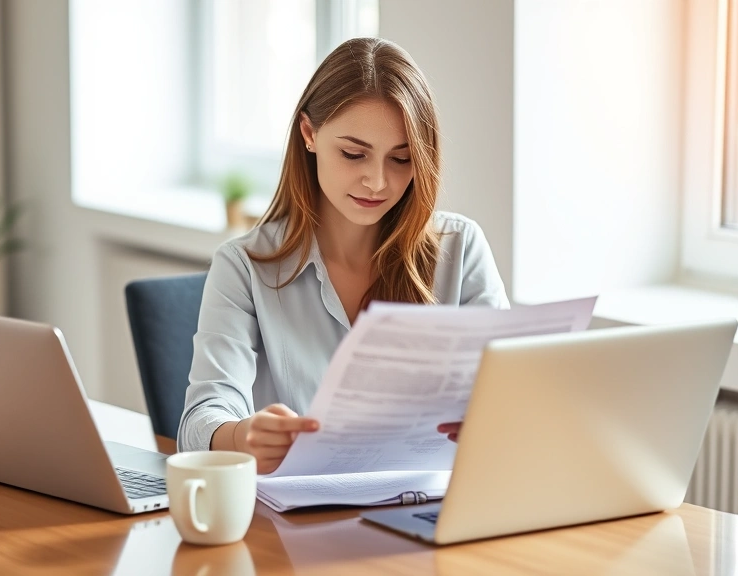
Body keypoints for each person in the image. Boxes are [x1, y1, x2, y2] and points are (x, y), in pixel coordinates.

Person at [177, 37, 508, 473]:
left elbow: (510, 390)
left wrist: (493, 419)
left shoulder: (459, 250)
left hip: (427, 513)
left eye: (402, 159)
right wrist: (243, 436)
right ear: (309, 134)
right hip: (300, 524)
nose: (377, 182)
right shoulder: (243, 267)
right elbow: (202, 417)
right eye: (354, 154)